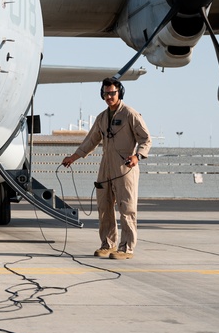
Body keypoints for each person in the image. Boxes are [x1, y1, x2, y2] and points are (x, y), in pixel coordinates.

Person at [61, 78, 151, 259]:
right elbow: (90, 141)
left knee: (127, 208)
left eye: (112, 93)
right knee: (104, 206)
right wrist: (73, 157)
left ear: (120, 93)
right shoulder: (102, 117)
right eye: (106, 93)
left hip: (125, 168)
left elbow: (145, 139)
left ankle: (126, 248)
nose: (109, 96)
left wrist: (137, 156)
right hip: (105, 168)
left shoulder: (130, 114)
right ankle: (108, 244)